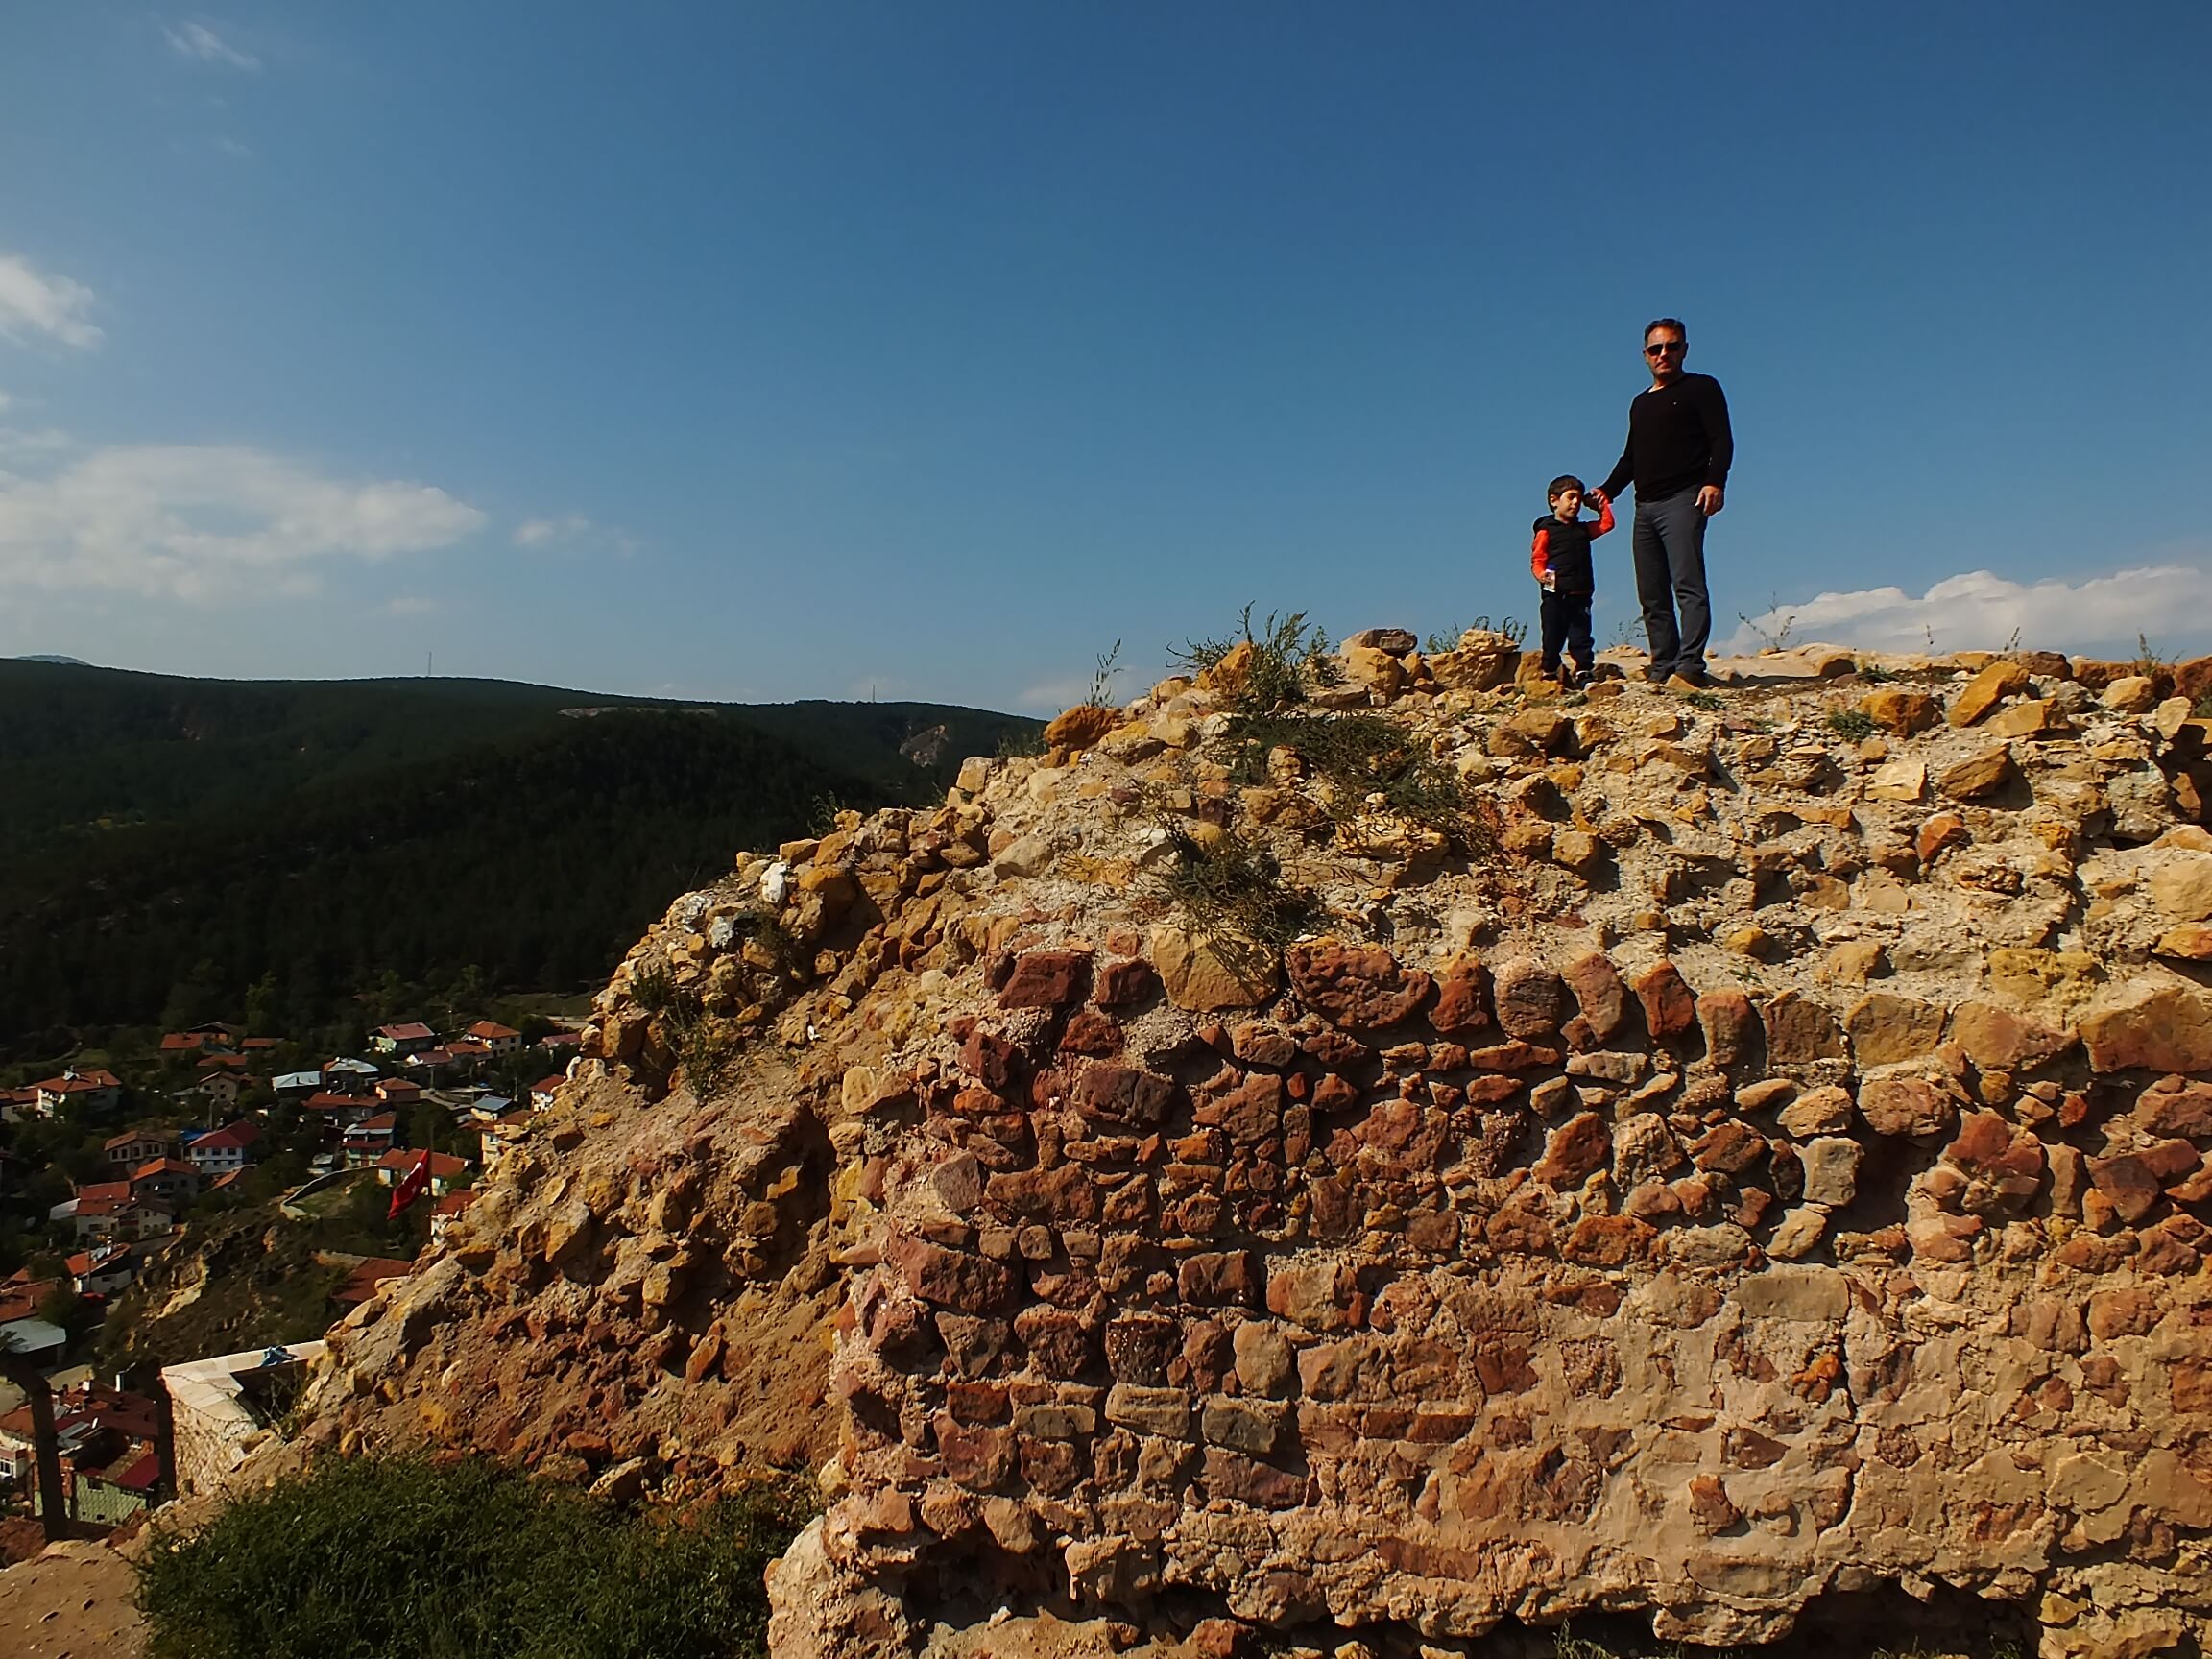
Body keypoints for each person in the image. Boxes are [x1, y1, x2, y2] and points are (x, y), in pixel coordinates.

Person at [1593, 318, 1733, 688]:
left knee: (1687, 583)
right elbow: (1631, 456)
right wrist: (1608, 490)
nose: (1664, 354)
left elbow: (1722, 439)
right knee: (1651, 591)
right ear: (1645, 355)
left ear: (1684, 349)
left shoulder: (1702, 388)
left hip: (1684, 498)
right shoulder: (1640, 404)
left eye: (1672, 346)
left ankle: (1690, 666)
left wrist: (1715, 482)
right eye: (1656, 349)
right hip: (1645, 506)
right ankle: (1663, 665)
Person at [1530, 473, 1613, 688]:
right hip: (1554, 593)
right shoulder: (1546, 530)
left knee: (1581, 636)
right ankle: (1550, 670)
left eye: (1578, 498)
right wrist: (1540, 574)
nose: (1576, 502)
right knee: (1552, 634)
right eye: (1571, 497)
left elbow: (1606, 525)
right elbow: (1538, 557)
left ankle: (1584, 670)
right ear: (1554, 500)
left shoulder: (1583, 530)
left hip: (1581, 592)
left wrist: (1600, 507)